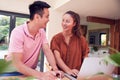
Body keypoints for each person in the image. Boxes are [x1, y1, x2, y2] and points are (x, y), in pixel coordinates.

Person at [5, 1, 63, 80]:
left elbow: (47, 51)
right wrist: (41, 75)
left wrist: (55, 69)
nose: (48, 20)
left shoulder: (41, 32)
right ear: (37, 17)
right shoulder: (18, 32)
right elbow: (17, 64)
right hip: (14, 73)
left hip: (29, 72)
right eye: (47, 16)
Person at [50, 11, 89, 77]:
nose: (64, 23)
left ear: (74, 23)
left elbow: (85, 57)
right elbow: (57, 58)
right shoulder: (56, 38)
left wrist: (83, 72)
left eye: (67, 21)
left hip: (75, 75)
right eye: (63, 20)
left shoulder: (82, 40)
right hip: (59, 75)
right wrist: (68, 70)